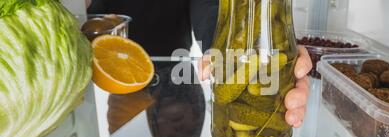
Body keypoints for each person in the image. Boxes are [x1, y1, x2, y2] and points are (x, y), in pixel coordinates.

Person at [86, 0, 312, 128]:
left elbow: (209, 7)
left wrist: (232, 52)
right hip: (114, 75)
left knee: (183, 132)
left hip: (178, 77)